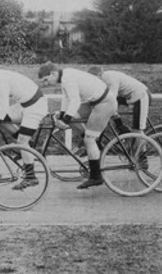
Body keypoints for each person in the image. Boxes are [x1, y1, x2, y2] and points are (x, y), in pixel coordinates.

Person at [38, 62, 117, 190]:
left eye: (46, 80)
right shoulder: (65, 76)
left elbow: (75, 101)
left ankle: (96, 176)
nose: (46, 83)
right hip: (95, 102)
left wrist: (65, 119)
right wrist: (63, 115)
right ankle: (90, 144)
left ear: (53, 74)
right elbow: (66, 98)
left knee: (89, 139)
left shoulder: (67, 78)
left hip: (105, 103)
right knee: (73, 119)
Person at [0, 61, 48, 189]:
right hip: (25, 105)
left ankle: (31, 177)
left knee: (21, 141)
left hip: (35, 107)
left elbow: (3, 107)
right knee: (1, 120)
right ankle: (28, 147)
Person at [87, 66, 150, 134]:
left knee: (137, 130)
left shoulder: (110, 79)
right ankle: (121, 127)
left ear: (99, 75)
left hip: (140, 95)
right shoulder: (104, 79)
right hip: (130, 95)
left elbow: (112, 99)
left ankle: (139, 143)